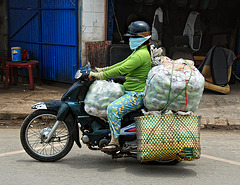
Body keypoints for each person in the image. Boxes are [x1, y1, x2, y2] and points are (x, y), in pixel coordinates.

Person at [89, 21, 152, 152]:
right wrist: (102, 70)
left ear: (141, 38)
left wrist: (99, 76)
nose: (130, 40)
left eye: (132, 37)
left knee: (113, 109)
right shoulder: (138, 52)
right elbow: (121, 64)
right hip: (129, 90)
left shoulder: (141, 55)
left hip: (136, 94)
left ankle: (115, 141)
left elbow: (121, 70)